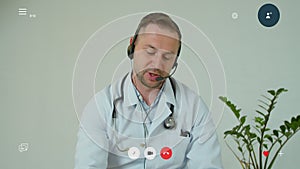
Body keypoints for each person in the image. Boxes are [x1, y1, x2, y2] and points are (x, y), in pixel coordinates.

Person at [75, 12, 223, 169]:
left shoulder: (194, 108)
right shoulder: (101, 106)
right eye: (150, 51)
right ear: (132, 46)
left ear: (175, 62)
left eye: (167, 57)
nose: (157, 65)